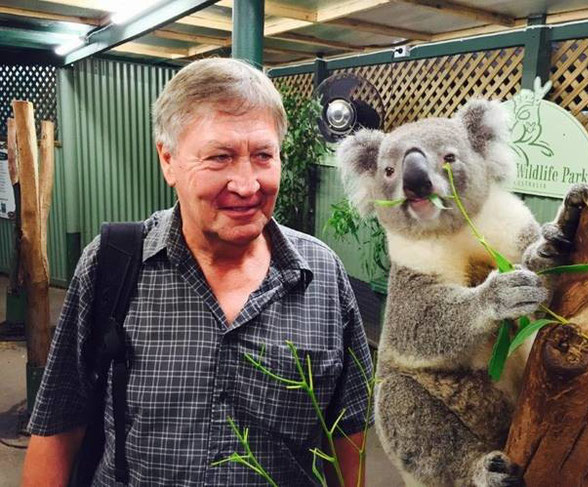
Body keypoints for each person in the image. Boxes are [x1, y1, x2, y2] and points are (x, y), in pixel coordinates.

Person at [21, 58, 373, 486]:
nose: (247, 185)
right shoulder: (113, 265)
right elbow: (59, 425)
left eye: (263, 155)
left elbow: (348, 429)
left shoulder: (322, 276)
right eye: (219, 157)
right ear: (168, 159)